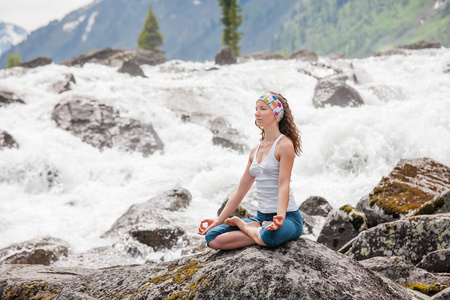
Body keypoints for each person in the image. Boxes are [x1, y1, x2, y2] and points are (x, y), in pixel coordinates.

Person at [198, 92, 303, 250]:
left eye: (263, 109)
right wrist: (218, 220)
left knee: (270, 236)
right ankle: (257, 230)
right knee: (212, 237)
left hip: (288, 217)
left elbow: (283, 184)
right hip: (262, 217)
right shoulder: (255, 150)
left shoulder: (284, 145)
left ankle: (248, 228)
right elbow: (240, 190)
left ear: (276, 114)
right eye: (256, 109)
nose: (257, 113)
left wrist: (280, 217)